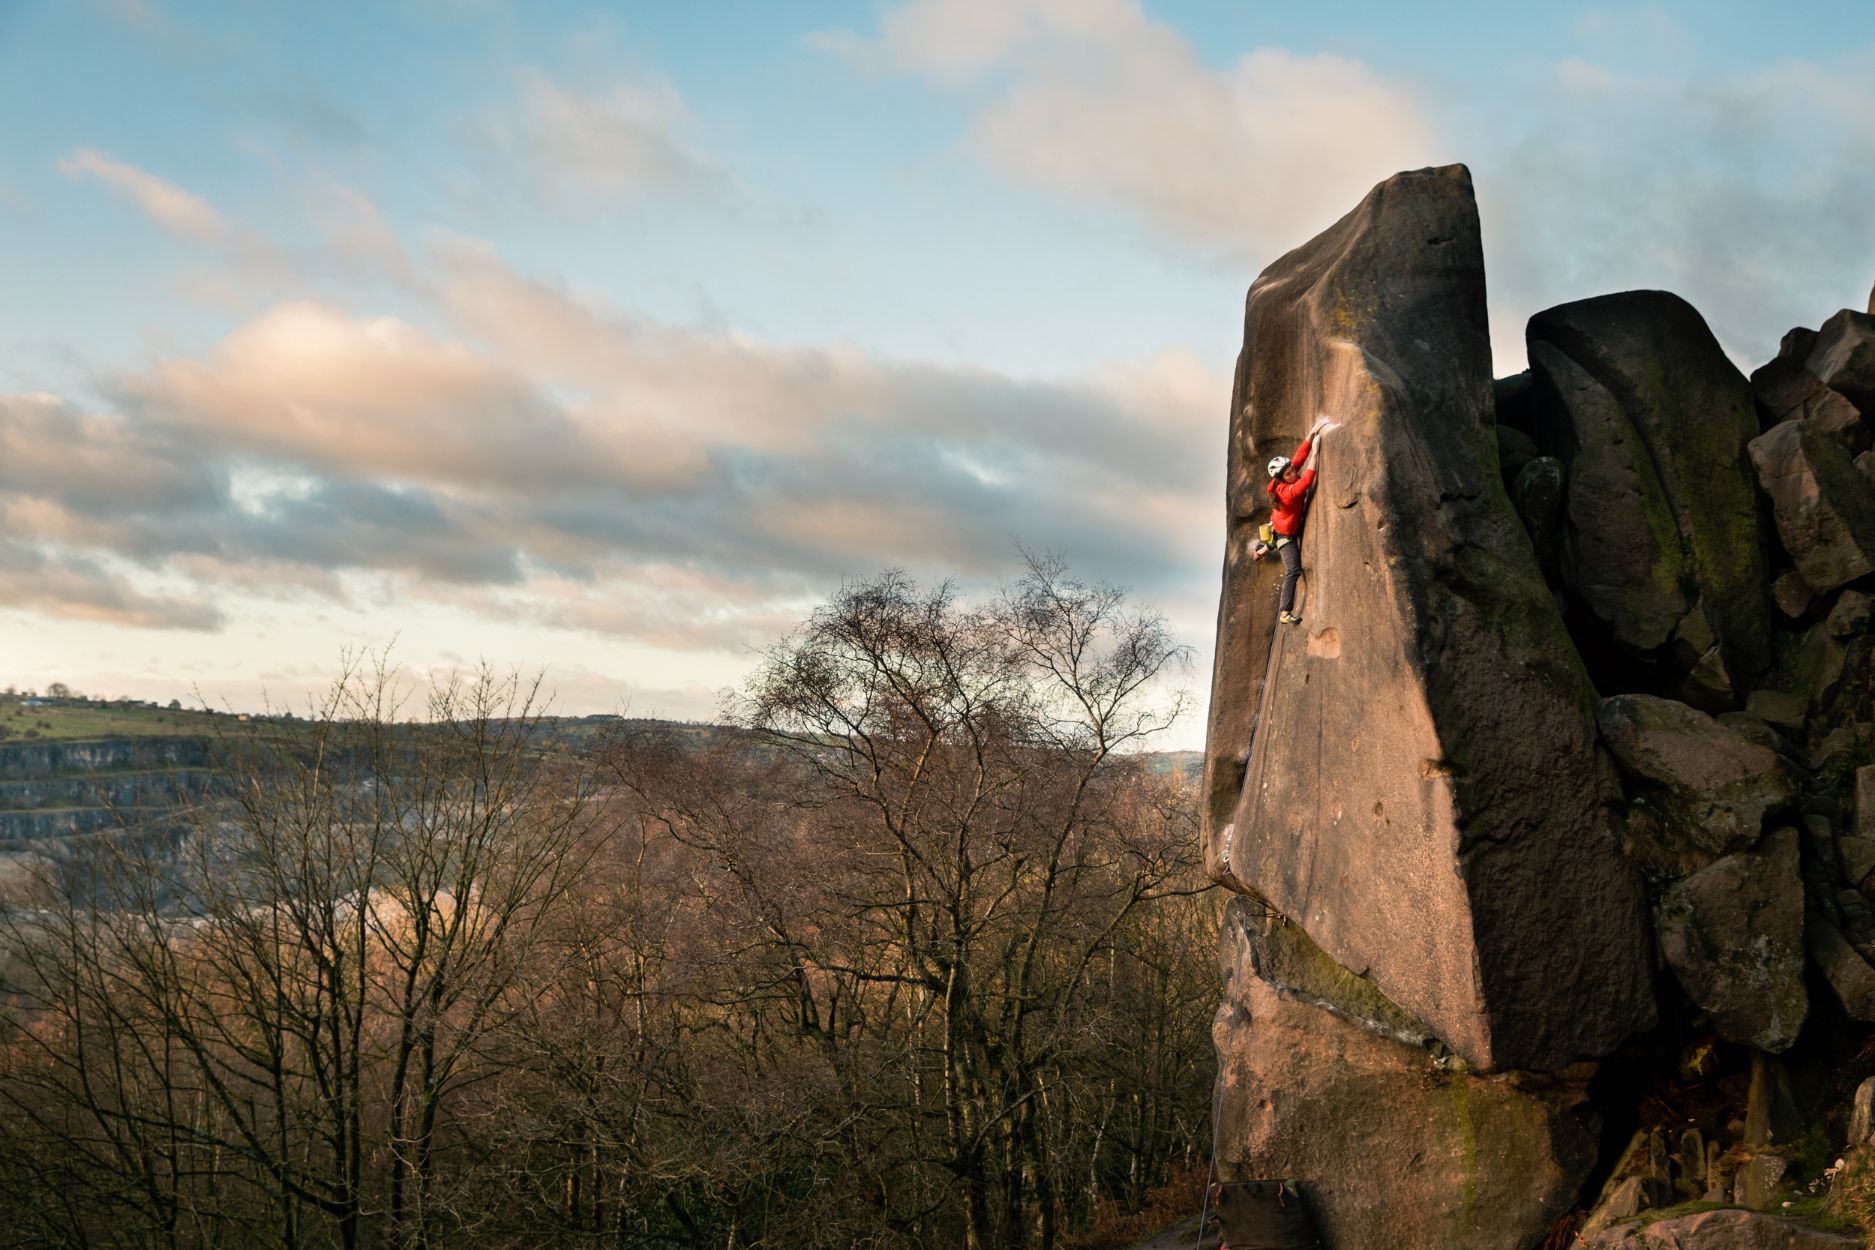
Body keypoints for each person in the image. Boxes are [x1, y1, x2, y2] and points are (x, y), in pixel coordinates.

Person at [1266, 416, 1330, 625]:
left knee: (1271, 537)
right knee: (1293, 570)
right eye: (1289, 473)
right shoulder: (1286, 492)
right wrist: (1317, 451)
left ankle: (1263, 547)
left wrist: (1313, 431)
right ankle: (1285, 613)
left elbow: (1298, 458)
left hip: (1277, 524)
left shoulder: (1281, 478)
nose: (1294, 473)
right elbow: (1307, 480)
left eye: (1292, 471)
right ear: (1282, 478)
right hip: (1285, 535)